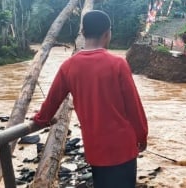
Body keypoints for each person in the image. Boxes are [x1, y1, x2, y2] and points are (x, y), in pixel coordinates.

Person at [32, 10, 148, 188]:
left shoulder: (68, 67)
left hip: (96, 150)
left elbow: (51, 102)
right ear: (107, 33)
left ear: (83, 33)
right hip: (123, 148)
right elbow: (134, 106)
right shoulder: (118, 64)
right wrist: (142, 135)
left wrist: (40, 119)